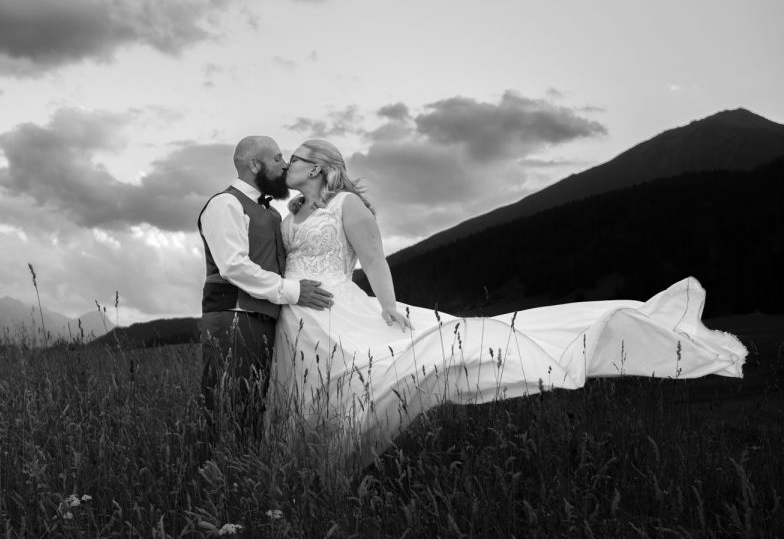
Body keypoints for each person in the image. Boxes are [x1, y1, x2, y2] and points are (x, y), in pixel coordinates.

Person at [269, 138, 748, 469]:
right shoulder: (290, 212)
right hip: (297, 315)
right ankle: (305, 464)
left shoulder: (346, 206)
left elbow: (373, 259)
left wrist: (390, 308)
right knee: (310, 389)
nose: (285, 165)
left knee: (373, 372)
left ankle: (332, 464)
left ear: (316, 167)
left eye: (292, 158)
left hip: (340, 305)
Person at [197, 135, 334, 445]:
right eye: (277, 158)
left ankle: (244, 481)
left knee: (253, 412)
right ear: (254, 164)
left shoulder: (272, 213)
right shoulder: (225, 204)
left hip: (263, 320)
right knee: (226, 410)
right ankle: (214, 484)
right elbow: (234, 266)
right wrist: (294, 292)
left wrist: (298, 212)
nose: (284, 164)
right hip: (233, 318)